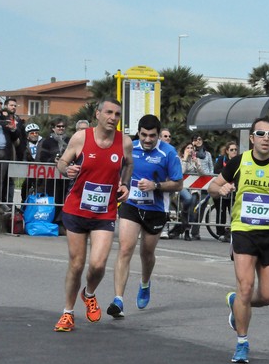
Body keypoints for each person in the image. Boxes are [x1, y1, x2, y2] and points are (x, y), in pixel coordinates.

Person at [208, 116, 269, 364]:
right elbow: (212, 187)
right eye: (261, 134)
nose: (266, 139)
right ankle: (242, 343)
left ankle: (236, 303)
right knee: (246, 287)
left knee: (268, 296)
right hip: (244, 230)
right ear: (251, 138)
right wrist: (222, 189)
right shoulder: (239, 162)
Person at [53, 98, 133, 332]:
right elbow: (62, 162)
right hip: (76, 209)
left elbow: (129, 164)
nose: (113, 118)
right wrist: (67, 169)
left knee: (98, 265)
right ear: (97, 114)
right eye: (108, 112)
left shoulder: (124, 142)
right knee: (77, 265)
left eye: (117, 114)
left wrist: (125, 184)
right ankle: (67, 313)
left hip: (104, 212)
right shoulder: (81, 138)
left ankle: (88, 294)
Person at [107, 115, 183, 318]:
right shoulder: (129, 148)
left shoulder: (168, 153)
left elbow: (178, 184)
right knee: (125, 248)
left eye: (152, 136)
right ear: (138, 133)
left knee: (146, 253)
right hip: (131, 204)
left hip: (156, 209)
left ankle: (145, 283)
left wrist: (155, 186)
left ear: (158, 135)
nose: (147, 140)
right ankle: (118, 300)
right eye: (143, 135)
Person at [0, 97, 21, 213]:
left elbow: (15, 137)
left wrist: (13, 129)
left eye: (0, 103)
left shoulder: (5, 119)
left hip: (5, 153)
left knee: (0, 180)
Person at [37, 118, 71, 228]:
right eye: (58, 126)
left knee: (65, 199)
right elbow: (42, 157)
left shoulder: (69, 141)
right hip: (52, 177)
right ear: (53, 128)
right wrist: (53, 161)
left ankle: (63, 223)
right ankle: (53, 221)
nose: (61, 128)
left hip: (67, 176)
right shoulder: (47, 142)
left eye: (63, 126)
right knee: (53, 198)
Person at [176, 142, 204, 241]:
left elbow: (202, 173)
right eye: (187, 148)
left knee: (192, 208)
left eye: (191, 148)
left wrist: (196, 162)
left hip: (194, 189)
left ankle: (187, 229)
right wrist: (184, 159)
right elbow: (181, 172)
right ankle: (185, 225)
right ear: (184, 150)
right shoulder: (179, 159)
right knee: (187, 201)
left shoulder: (196, 160)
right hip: (181, 187)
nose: (190, 149)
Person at [213, 141, 238, 242]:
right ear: (227, 151)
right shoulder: (221, 159)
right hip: (222, 190)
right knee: (221, 211)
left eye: (235, 150)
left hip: (234, 190)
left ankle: (233, 232)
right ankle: (220, 233)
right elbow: (216, 170)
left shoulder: (239, 160)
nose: (234, 152)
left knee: (233, 211)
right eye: (231, 150)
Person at [191, 135, 214, 240]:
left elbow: (211, 168)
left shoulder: (207, 154)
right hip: (193, 185)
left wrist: (210, 180)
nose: (198, 141)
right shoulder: (190, 152)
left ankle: (195, 231)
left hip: (205, 184)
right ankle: (187, 227)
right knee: (193, 206)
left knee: (201, 208)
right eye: (196, 139)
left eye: (200, 139)